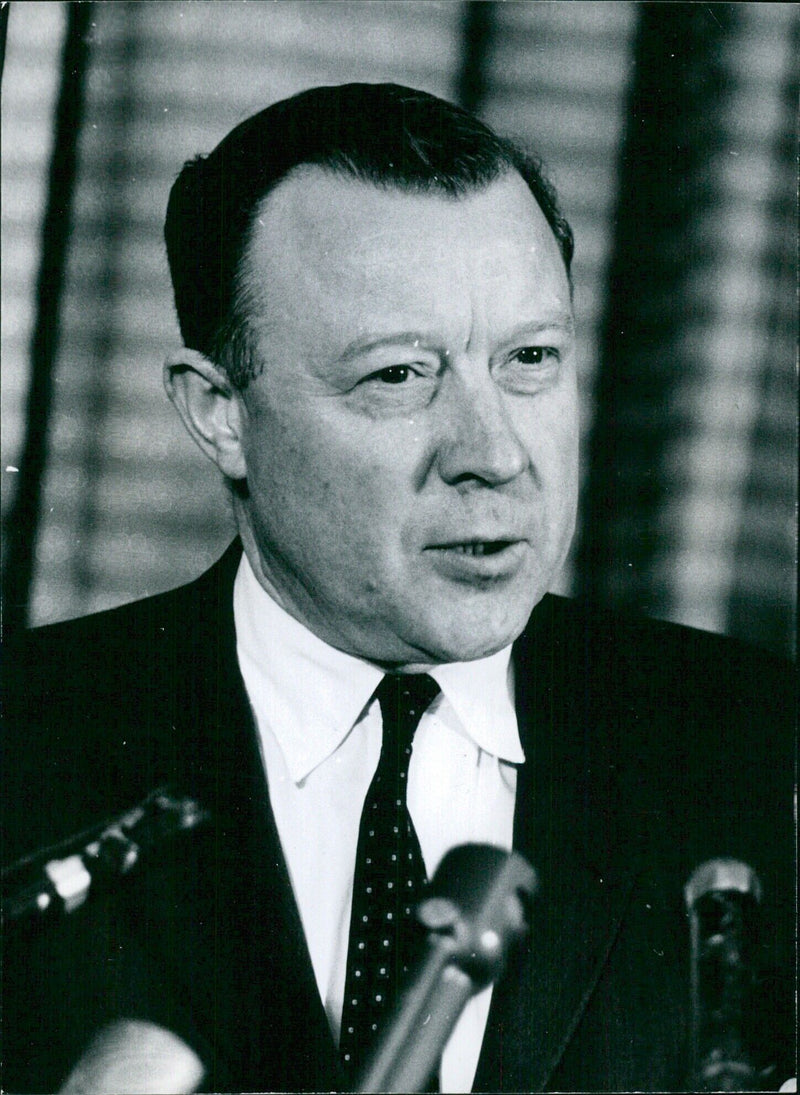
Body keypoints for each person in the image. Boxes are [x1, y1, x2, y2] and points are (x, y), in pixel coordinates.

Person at [2, 83, 794, 1094]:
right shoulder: (22, 743)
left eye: (529, 359)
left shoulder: (758, 752)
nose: (493, 454)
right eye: (397, 376)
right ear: (218, 414)